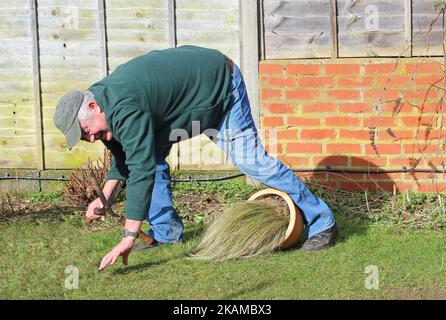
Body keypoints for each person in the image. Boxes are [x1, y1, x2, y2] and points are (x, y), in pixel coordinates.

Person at [53, 45, 338, 271]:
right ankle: (166, 233)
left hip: (218, 87)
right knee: (149, 159)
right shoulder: (105, 106)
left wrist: (129, 236)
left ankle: (322, 223)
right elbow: (124, 159)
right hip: (186, 103)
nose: (90, 139)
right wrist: (104, 198)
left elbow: (139, 170)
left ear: (93, 106)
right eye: (84, 137)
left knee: (252, 161)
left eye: (86, 131)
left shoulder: (125, 107)